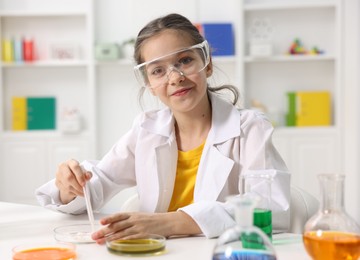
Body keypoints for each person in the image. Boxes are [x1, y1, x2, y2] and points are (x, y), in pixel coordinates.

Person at [36, 13, 290, 244]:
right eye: (158, 70)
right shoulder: (146, 130)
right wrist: (70, 186)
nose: (175, 77)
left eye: (185, 60)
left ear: (208, 64)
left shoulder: (250, 129)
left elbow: (271, 209)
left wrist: (168, 222)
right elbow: (100, 181)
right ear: (149, 84)